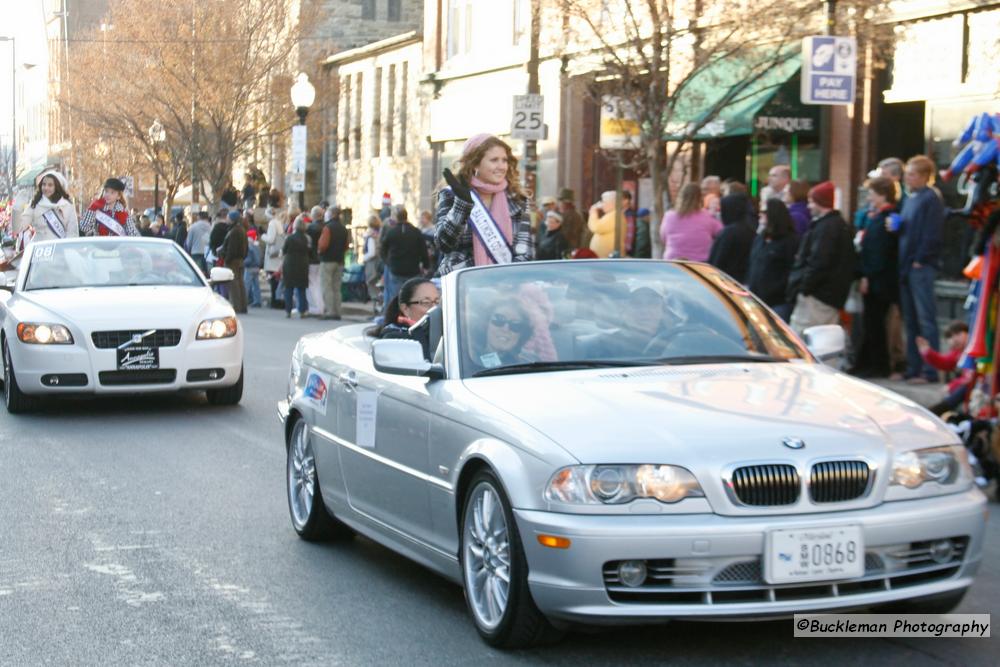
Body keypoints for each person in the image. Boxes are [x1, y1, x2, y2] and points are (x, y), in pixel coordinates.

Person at [436, 134, 534, 275]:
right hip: (462, 283)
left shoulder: (518, 200)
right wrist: (461, 205)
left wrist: (505, 282)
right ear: (475, 163)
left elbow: (525, 252)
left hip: (506, 285)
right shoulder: (452, 194)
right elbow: (444, 244)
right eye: (494, 160)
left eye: (504, 160)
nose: (501, 167)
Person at [898, 155, 945, 384]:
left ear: (926, 176)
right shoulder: (910, 198)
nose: (908, 178)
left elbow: (932, 233)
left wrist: (921, 258)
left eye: (913, 174)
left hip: (920, 266)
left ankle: (930, 370)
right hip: (907, 265)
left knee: (926, 318)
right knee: (911, 319)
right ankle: (913, 367)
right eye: (907, 173)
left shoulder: (930, 199)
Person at [786, 181, 856, 334]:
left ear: (820, 202)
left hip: (818, 297)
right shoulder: (836, 225)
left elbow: (819, 262)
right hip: (827, 296)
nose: (809, 206)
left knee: (808, 338)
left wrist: (804, 288)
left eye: (811, 201)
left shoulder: (827, 228)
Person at [851, 177, 900, 377]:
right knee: (870, 322)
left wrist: (866, 276)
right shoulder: (876, 217)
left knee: (876, 323)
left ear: (882, 194)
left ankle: (878, 365)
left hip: (880, 281)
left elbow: (879, 253)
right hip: (875, 277)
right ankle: (864, 363)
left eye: (872, 193)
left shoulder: (887, 218)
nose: (869, 197)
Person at [747, 198, 799, 320]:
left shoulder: (790, 241)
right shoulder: (760, 238)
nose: (760, 214)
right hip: (756, 300)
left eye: (764, 211)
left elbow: (791, 270)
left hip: (778, 302)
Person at [372, 277, 441, 358]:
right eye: (426, 302)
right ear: (405, 309)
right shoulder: (395, 339)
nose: (434, 308)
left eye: (437, 302)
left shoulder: (445, 331)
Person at [916, 321, 973, 415]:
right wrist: (927, 352)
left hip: (973, 386)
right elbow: (945, 363)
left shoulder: (973, 350)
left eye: (958, 334)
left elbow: (969, 378)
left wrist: (951, 386)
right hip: (966, 388)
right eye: (951, 336)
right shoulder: (958, 352)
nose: (954, 339)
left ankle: (934, 412)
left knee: (962, 389)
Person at [380, 205, 429, 309]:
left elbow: (382, 249)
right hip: (413, 269)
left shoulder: (392, 232)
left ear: (396, 217)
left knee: (397, 297)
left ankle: (397, 318)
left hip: (396, 269)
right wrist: (426, 265)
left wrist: (388, 262)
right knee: (412, 298)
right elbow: (423, 251)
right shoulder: (416, 232)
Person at [468, 299, 534, 372]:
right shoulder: (466, 359)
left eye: (515, 325)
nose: (505, 329)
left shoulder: (530, 364)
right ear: (486, 324)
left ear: (522, 334)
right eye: (499, 320)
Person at [661, 183, 723, 262]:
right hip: (699, 263)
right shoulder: (707, 216)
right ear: (700, 198)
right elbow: (721, 234)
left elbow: (663, 237)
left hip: (673, 261)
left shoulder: (669, 216)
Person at [20, 170, 78, 243]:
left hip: (61, 250)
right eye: (44, 184)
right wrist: (16, 209)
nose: (46, 188)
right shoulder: (35, 203)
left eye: (50, 185)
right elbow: (20, 227)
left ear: (57, 187)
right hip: (40, 249)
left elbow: (72, 233)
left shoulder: (67, 205)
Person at [708, 192, 756, 282]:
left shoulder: (728, 233)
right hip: (742, 282)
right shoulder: (751, 229)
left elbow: (717, 261)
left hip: (725, 281)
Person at [317, 206, 348, 320]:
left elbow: (323, 245)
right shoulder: (343, 228)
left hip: (328, 260)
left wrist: (319, 251)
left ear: (331, 214)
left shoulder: (327, 228)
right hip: (339, 260)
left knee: (327, 286)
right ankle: (337, 310)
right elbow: (346, 245)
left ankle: (330, 311)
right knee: (336, 287)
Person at [282, 216, 311, 318]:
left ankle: (288, 310)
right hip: (303, 263)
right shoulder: (307, 239)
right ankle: (302, 310)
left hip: (290, 264)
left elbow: (284, 250)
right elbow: (310, 251)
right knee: (301, 289)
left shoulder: (289, 238)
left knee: (288, 288)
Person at [220, 210, 248, 313]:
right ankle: (242, 306)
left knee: (234, 285)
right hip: (239, 259)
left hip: (233, 261)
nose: (226, 219)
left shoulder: (234, 232)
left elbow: (231, 249)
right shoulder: (241, 230)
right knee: (240, 283)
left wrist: (226, 259)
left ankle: (236, 306)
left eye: (228, 217)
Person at [263, 209, 287, 308]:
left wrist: (263, 236)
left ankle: (275, 300)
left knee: (273, 279)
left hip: (272, 255)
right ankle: (276, 299)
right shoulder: (278, 223)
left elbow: (271, 239)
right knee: (276, 279)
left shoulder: (272, 224)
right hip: (277, 254)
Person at [306, 205, 326, 316]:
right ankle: (322, 305)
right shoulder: (325, 227)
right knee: (319, 282)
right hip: (322, 258)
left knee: (313, 284)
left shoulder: (311, 228)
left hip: (312, 259)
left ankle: (317, 306)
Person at [587, 191, 619, 258]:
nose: (601, 205)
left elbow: (596, 227)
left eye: (603, 202)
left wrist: (593, 212)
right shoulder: (612, 214)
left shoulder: (614, 215)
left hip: (607, 258)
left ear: (612, 203)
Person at [361, 215, 382, 311]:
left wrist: (363, 258)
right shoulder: (378, 234)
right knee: (376, 284)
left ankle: (377, 305)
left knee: (371, 283)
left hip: (372, 263)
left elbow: (372, 252)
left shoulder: (370, 237)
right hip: (378, 262)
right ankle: (378, 305)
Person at [244, 227, 262, 307]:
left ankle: (244, 300)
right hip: (257, 267)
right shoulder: (258, 246)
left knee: (246, 285)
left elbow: (249, 259)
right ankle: (257, 300)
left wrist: (243, 262)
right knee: (256, 285)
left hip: (250, 267)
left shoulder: (249, 247)